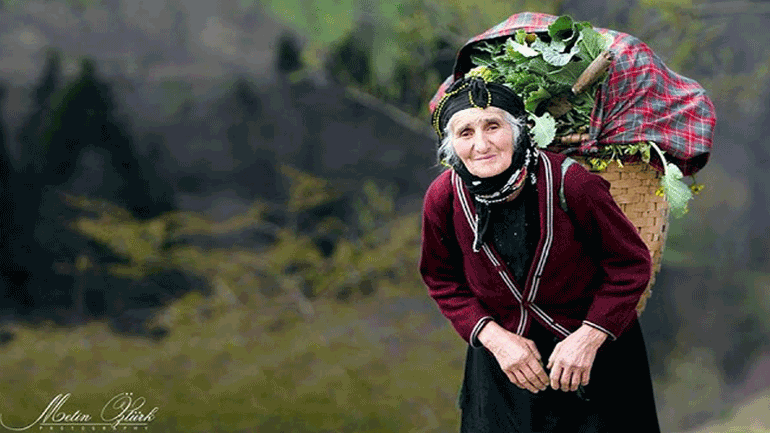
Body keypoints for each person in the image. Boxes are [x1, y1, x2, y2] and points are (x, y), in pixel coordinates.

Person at [419, 75, 661, 432]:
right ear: (451, 145)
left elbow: (630, 265)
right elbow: (442, 279)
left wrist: (589, 335)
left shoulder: (573, 185)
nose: (482, 144)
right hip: (504, 370)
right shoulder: (444, 198)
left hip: (595, 362)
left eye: (493, 126)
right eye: (465, 133)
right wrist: (494, 338)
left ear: (518, 131)